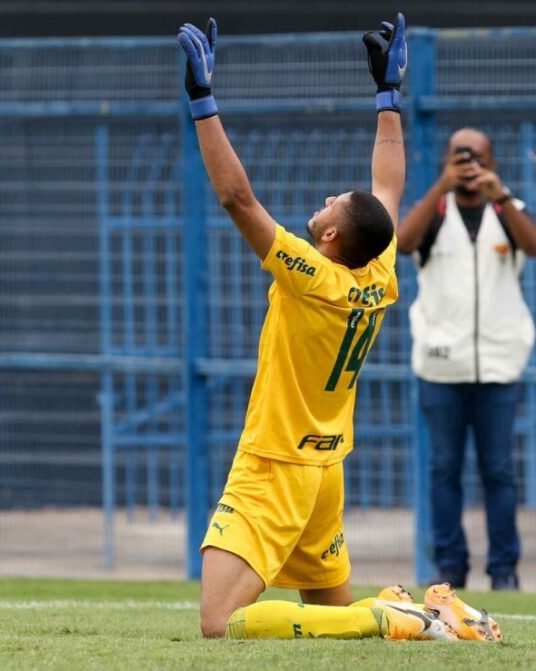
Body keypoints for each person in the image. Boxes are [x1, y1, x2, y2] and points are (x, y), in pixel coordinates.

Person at [177, 13, 502, 643]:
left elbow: (238, 201)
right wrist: (389, 97)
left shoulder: (312, 275)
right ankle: (434, 616)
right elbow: (388, 184)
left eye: (332, 203)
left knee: (221, 623)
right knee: (330, 617)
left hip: (275, 464)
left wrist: (202, 101)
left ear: (328, 238)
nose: (327, 197)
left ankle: (391, 611)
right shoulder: (377, 273)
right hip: (325, 469)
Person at [397, 128, 536, 591]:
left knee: (498, 470)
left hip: (498, 366)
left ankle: (504, 571)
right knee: (443, 468)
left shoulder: (507, 211)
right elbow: (400, 242)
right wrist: (440, 186)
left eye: (477, 156)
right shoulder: (435, 212)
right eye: (460, 156)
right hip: (441, 366)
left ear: (491, 161)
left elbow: (533, 246)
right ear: (446, 161)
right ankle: (450, 568)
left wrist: (505, 197)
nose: (469, 165)